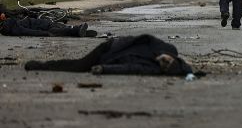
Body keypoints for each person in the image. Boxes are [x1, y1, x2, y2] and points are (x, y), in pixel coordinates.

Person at [24, 34, 194, 76]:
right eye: (167, 61)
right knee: (79, 66)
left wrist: (104, 69)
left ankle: (41, 66)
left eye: (164, 65)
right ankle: (40, 66)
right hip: (111, 47)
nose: (162, 62)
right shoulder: (167, 47)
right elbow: (145, 37)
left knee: (79, 67)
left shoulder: (154, 69)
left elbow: (129, 68)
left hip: (109, 57)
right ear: (172, 57)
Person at [0, 14, 94, 37]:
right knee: (56, 29)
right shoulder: (8, 26)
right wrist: (44, 33)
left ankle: (78, 31)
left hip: (39, 23)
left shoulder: (7, 25)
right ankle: (77, 30)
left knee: (58, 28)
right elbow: (26, 31)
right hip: (40, 26)